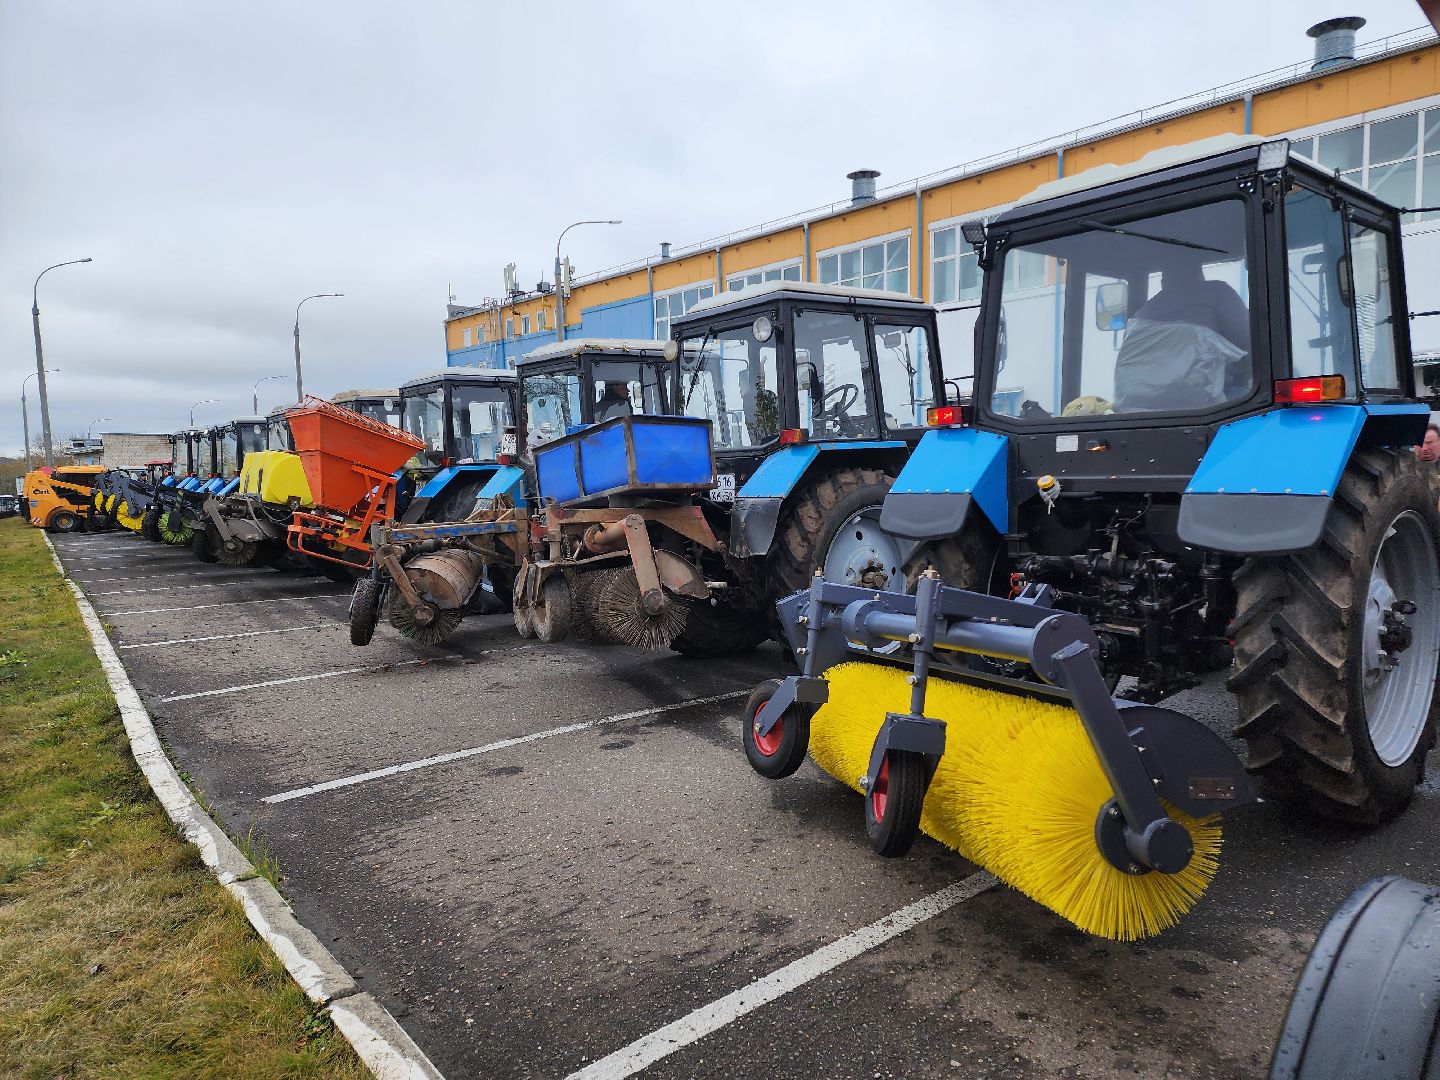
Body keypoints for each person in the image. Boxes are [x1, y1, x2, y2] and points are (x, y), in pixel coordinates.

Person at [1112, 251, 1251, 413]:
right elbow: (1248, 338)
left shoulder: (1141, 315)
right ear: (1199, 274)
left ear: (1164, 281)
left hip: (1143, 407)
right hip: (1208, 400)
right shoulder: (1218, 292)